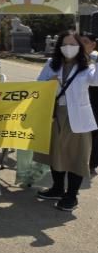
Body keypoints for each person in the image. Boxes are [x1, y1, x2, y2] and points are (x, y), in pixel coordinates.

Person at [35, 31, 98, 211]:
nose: (68, 48)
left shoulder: (87, 66)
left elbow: (96, 80)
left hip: (78, 117)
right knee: (56, 153)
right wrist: (49, 82)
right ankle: (57, 188)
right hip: (55, 114)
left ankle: (71, 196)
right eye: (64, 44)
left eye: (73, 44)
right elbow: (38, 85)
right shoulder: (51, 64)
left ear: (79, 46)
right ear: (59, 46)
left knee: (76, 156)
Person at [79, 32, 98, 174]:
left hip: (95, 97)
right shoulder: (73, 59)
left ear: (93, 44)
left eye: (85, 42)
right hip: (83, 98)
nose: (81, 45)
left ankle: (92, 163)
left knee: (95, 131)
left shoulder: (94, 57)